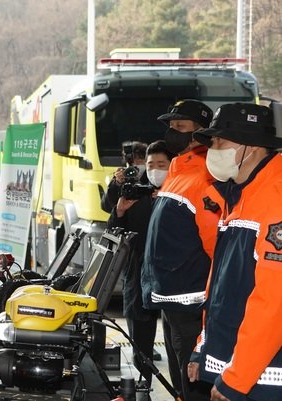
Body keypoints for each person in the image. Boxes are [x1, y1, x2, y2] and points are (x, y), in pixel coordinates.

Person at [187, 103, 282, 401]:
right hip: (237, 364)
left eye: (218, 141)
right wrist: (204, 346)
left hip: (264, 378)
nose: (211, 149)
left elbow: (273, 303)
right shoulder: (238, 195)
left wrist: (237, 379)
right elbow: (221, 282)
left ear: (250, 147)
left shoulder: (275, 197)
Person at [141, 99, 219, 401]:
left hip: (191, 299)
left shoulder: (205, 176)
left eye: (180, 128)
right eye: (171, 127)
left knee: (193, 380)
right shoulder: (177, 169)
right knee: (179, 384)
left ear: (200, 133)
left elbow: (215, 246)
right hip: (169, 297)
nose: (173, 133)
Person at [106, 140, 174, 384]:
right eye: (150, 164)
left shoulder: (180, 192)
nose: (155, 169)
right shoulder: (137, 191)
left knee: (176, 344)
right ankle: (143, 386)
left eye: (161, 164)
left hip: (173, 279)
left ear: (172, 165)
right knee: (140, 345)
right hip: (138, 274)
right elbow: (114, 233)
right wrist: (120, 211)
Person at [101, 140, 149, 213]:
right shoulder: (122, 176)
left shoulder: (151, 178)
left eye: (139, 159)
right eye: (131, 161)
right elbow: (106, 206)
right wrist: (117, 184)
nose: (135, 164)